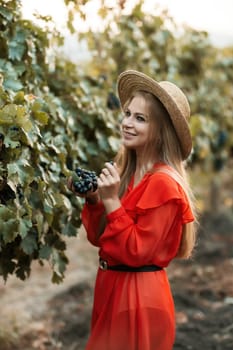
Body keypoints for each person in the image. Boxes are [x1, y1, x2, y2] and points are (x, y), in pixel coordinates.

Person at [68, 70, 198, 350]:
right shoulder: (127, 173)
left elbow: (136, 251)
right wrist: (95, 200)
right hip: (112, 288)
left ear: (161, 132)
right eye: (127, 114)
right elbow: (101, 239)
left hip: (138, 298)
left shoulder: (164, 184)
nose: (127, 123)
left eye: (140, 119)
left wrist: (112, 201)